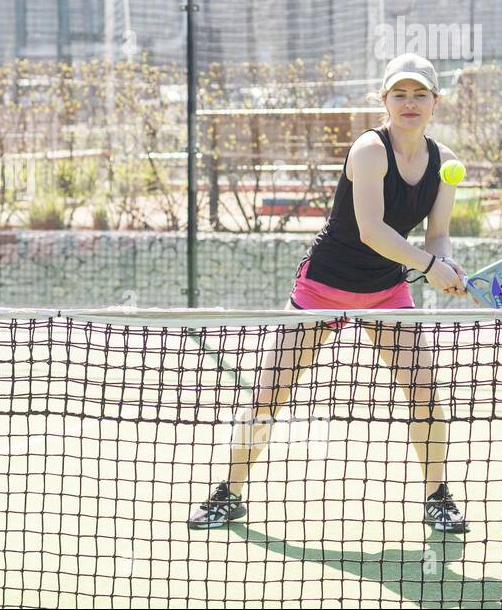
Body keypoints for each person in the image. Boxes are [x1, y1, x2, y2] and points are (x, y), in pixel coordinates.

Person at [188, 53, 471, 534]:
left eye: (419, 94)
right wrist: (429, 267)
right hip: (323, 287)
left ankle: (437, 496)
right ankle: (228, 493)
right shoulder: (368, 149)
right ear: (383, 100)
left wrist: (444, 261)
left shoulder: (445, 165)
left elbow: (436, 234)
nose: (409, 103)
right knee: (267, 395)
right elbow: (371, 230)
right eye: (399, 94)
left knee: (423, 392)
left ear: (434, 102)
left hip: (387, 291)